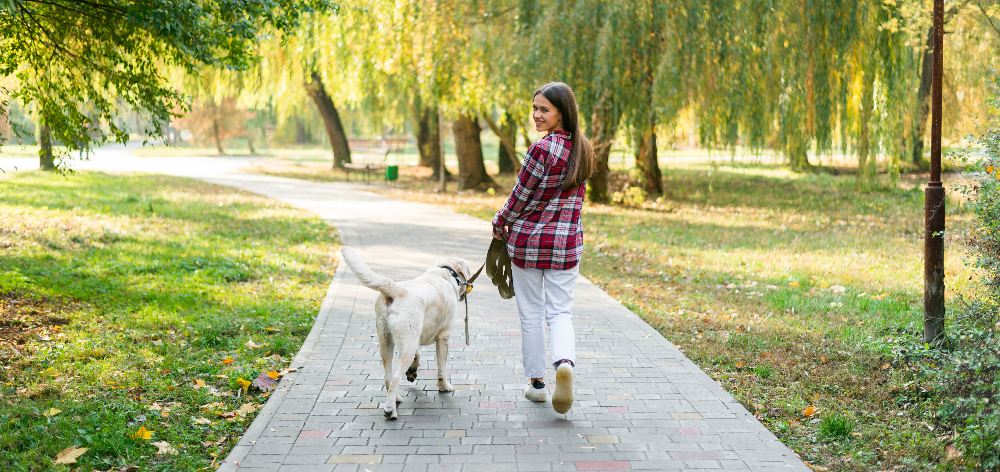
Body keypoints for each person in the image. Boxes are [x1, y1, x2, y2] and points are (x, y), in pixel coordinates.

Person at [491, 81, 595, 414]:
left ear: (562, 113)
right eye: (534, 108)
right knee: (561, 311)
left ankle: (537, 384)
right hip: (566, 244)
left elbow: (520, 197)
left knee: (532, 313)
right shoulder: (584, 149)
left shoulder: (541, 150)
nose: (536, 115)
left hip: (529, 244)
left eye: (544, 109)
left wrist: (499, 220)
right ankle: (564, 363)